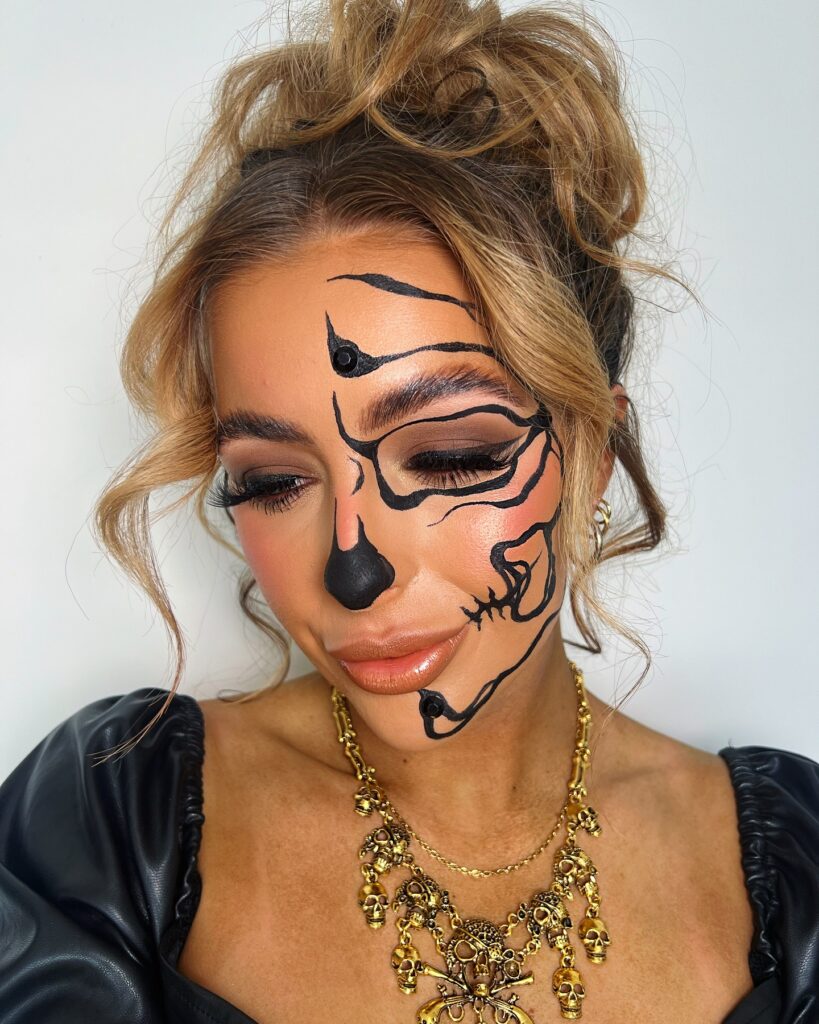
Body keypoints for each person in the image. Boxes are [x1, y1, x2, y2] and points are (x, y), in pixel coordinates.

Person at [1, 0, 817, 1021]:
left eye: (448, 455)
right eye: (273, 480)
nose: (354, 567)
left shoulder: (794, 886)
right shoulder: (113, 829)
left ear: (595, 449)